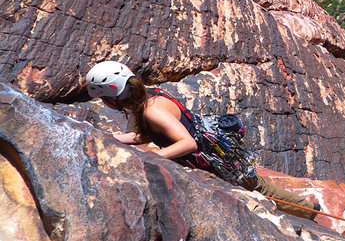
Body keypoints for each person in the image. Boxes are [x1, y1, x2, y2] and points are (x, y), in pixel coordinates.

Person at [85, 60, 320, 220]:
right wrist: (119, 139)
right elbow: (149, 133)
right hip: (211, 145)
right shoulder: (149, 97)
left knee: (254, 186)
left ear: (112, 99)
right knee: (254, 184)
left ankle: (308, 211)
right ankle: (307, 208)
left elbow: (188, 143)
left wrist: (153, 155)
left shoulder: (150, 110)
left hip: (210, 154)